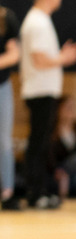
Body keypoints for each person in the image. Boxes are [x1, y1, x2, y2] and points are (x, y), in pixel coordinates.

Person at [19, 0, 76, 210]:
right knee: (38, 144)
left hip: (43, 90)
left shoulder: (40, 20)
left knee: (42, 143)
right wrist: (63, 58)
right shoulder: (37, 21)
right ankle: (35, 193)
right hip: (39, 90)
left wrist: (60, 56)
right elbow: (39, 59)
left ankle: (40, 191)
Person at [0, 3, 20, 211]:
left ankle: (7, 192)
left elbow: (14, 54)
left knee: (4, 141)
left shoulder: (6, 17)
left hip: (2, 87)